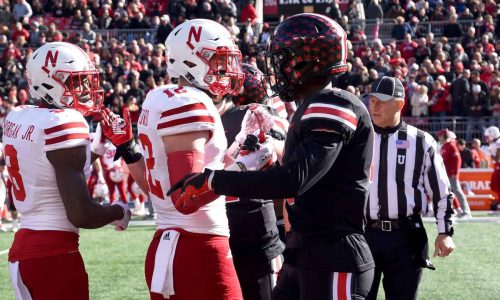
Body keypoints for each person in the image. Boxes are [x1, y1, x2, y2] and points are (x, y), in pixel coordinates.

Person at [168, 13, 376, 299]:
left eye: (282, 58)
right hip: (304, 251)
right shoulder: (312, 107)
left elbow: (294, 178)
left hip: (334, 255)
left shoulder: (332, 103)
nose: (277, 67)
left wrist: (214, 181)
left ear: (304, 61)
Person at [100, 19, 246, 299]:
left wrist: (129, 150)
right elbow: (185, 197)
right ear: (192, 61)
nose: (225, 69)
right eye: (218, 60)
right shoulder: (189, 103)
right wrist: (245, 167)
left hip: (168, 245)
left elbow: (161, 188)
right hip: (199, 249)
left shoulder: (159, 97)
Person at [5, 42, 130, 300]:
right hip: (53, 255)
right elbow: (81, 214)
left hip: (23, 250)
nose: (86, 89)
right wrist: (118, 211)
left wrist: (97, 146)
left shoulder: (18, 116)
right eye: (77, 81)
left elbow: (53, 169)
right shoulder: (63, 121)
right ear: (52, 83)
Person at [365, 76, 455, 300]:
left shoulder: (422, 141)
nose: (374, 106)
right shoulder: (358, 138)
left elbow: (441, 191)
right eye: (372, 100)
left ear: (399, 104)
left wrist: (444, 232)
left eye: (381, 101)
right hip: (364, 233)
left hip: (405, 236)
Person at [220, 63, 287, 300]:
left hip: (215, 229)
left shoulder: (209, 120)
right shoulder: (260, 114)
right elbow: (287, 156)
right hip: (255, 227)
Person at [437, 130, 472, 218]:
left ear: (444, 136)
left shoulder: (451, 145)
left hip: (451, 174)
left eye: (440, 136)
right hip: (446, 174)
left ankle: (466, 212)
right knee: (448, 193)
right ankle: (456, 210)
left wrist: (455, 172)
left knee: (458, 192)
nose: (438, 137)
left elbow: (458, 160)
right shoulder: (444, 146)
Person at [484, 126, 500, 209]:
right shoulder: (494, 143)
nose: (488, 138)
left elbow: (498, 158)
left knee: (497, 185)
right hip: (497, 166)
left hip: (499, 165)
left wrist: (489, 153)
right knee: (494, 185)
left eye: (489, 135)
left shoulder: (498, 143)